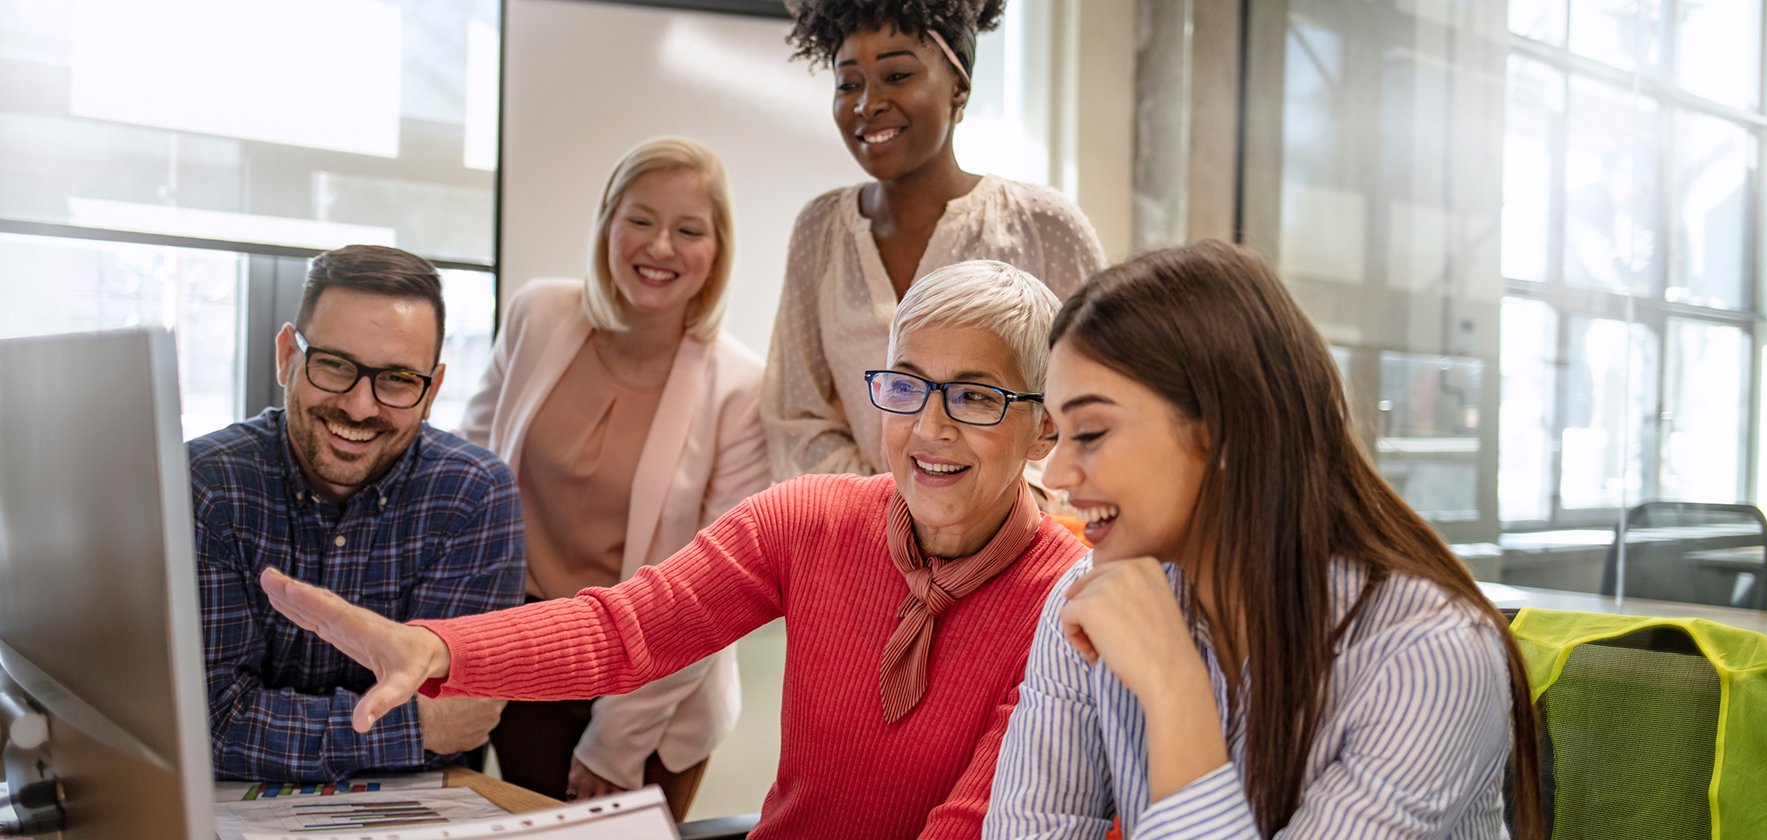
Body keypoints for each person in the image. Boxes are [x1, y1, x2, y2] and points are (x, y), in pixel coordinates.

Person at [258, 260, 1089, 839]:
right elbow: (623, 631)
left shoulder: (1068, 603)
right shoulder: (811, 520)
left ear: (1045, 423)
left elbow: (974, 829)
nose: (929, 428)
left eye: (975, 397)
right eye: (906, 386)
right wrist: (437, 647)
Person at [985, 241, 1543, 838]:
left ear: (1224, 434)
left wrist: (1174, 688)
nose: (1061, 474)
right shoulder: (1091, 599)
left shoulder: (1429, 653)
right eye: (1058, 432)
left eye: (1091, 432)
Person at [458, 137, 767, 817]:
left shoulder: (741, 387)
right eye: (640, 220)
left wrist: (617, 740)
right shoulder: (538, 314)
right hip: (525, 661)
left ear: (716, 252)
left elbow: (715, 590)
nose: (660, 247)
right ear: (606, 222)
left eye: (688, 230)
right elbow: (465, 480)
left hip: (656, 690)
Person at [189, 244, 525, 782]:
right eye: (334, 365)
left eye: (396, 379)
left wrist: (277, 726)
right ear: (286, 357)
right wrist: (413, 728)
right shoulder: (207, 486)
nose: (359, 406)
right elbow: (207, 723)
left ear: (432, 390)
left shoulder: (474, 495)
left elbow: (463, 720)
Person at [762, 0, 1105, 480]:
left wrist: (983, 514)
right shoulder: (821, 230)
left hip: (1021, 538)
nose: (868, 103)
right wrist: (888, 512)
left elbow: (1092, 403)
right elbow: (797, 414)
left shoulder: (1042, 225)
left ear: (959, 88)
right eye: (849, 84)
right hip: (861, 536)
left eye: (897, 75)